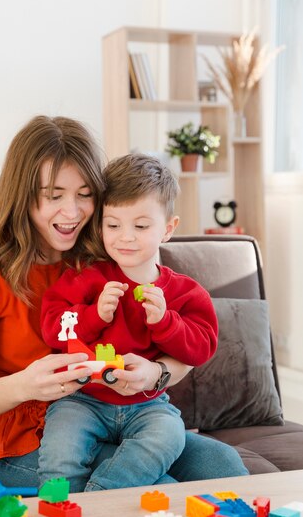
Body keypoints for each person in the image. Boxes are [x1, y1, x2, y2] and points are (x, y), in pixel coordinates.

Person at [0, 114, 248, 490]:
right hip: (20, 432)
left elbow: (179, 346)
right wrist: (26, 385)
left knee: (223, 463)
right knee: (157, 484)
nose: (72, 213)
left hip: (117, 411)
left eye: (84, 195)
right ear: (22, 196)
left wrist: (155, 374)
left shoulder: (112, 250)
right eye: (53, 196)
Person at [39, 154, 218, 492]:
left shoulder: (183, 292)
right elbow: (53, 328)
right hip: (83, 399)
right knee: (60, 448)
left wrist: (165, 322)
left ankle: (99, 498)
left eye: (140, 225)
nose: (126, 237)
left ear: (167, 229)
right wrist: (93, 316)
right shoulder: (88, 279)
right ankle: (53, 511)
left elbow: (202, 346)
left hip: (148, 404)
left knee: (169, 436)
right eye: (113, 225)